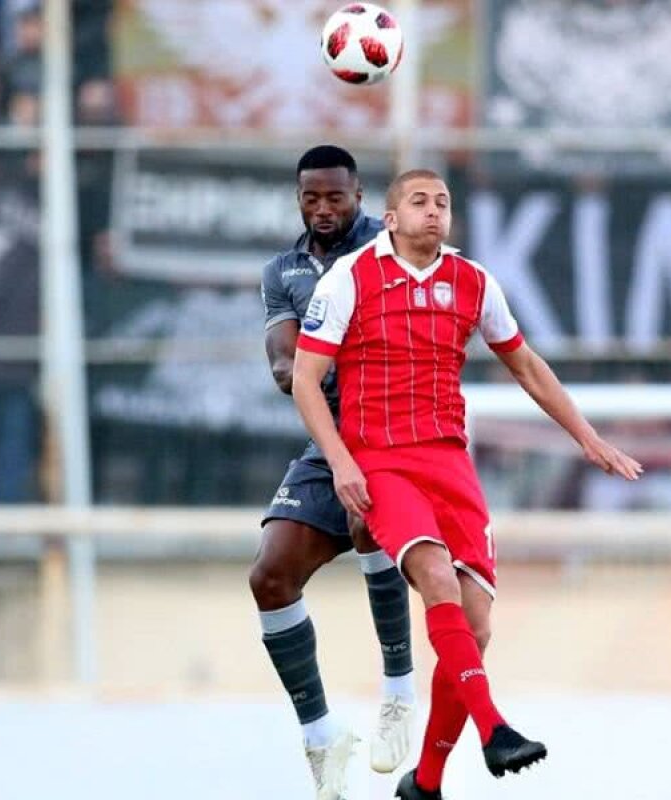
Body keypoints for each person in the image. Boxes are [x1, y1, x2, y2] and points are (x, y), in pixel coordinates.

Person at [292, 169, 643, 799]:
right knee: (433, 577)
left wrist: (587, 436)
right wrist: (342, 461)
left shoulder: (474, 281)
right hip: (382, 460)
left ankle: (425, 783)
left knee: (474, 627)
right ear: (391, 218)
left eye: (443, 203)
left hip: (449, 462)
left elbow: (527, 367)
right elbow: (304, 378)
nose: (434, 211)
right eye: (419, 202)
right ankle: (494, 728)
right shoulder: (352, 278)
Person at [250, 145, 417, 800]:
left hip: (395, 429)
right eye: (310, 198)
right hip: (331, 436)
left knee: (365, 511)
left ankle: (399, 692)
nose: (322, 209)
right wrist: (302, 367)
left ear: (360, 196)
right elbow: (283, 361)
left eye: (335, 198)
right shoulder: (282, 271)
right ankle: (322, 736)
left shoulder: (389, 249)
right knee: (269, 574)